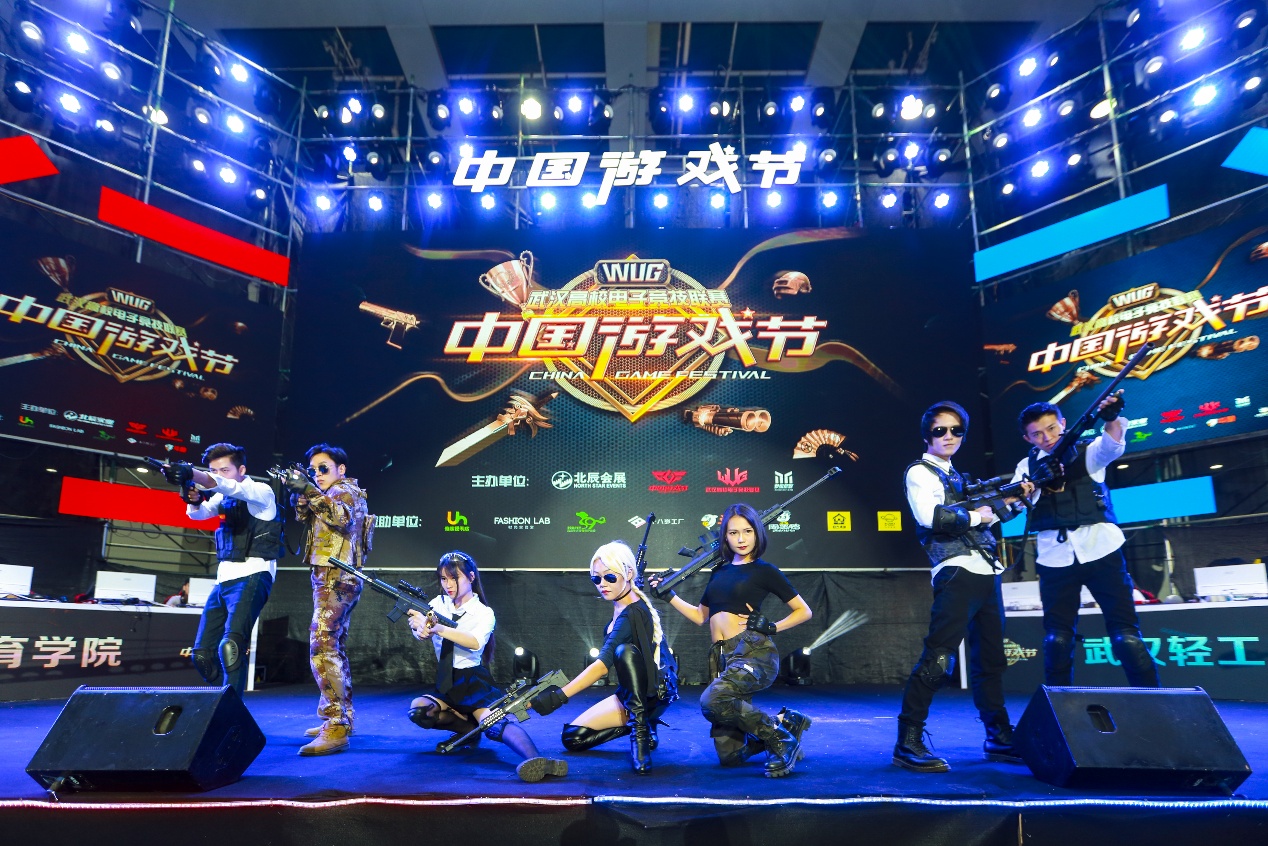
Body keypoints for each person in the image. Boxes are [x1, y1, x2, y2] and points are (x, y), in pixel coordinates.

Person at [893, 401, 1031, 773]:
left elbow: (989, 518)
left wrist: (1019, 499)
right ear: (927, 435)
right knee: (939, 657)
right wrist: (977, 515)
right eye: (940, 430)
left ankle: (998, 736)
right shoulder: (920, 472)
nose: (949, 436)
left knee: (991, 659)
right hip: (956, 571)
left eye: (956, 430)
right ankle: (907, 741)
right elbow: (931, 517)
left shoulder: (957, 476)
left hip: (987, 570)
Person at [1011, 391, 1161, 690]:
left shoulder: (1087, 451)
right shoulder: (1025, 466)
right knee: (1056, 638)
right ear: (1027, 438)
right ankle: (1058, 705)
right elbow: (1015, 503)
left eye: (1051, 428)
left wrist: (1112, 418)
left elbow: (1112, 445)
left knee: (1126, 635)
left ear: (1063, 423)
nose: (1046, 438)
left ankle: (1154, 703)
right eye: (1037, 434)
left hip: (1102, 550)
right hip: (1054, 557)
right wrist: (1036, 482)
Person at [650, 503, 813, 778]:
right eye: (734, 532)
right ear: (724, 536)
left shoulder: (764, 570)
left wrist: (772, 626)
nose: (741, 538)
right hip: (722, 657)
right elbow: (700, 616)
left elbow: (804, 611)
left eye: (748, 531)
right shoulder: (719, 572)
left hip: (752, 651)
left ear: (758, 533)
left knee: (712, 699)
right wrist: (668, 596)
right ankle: (786, 722)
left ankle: (780, 738)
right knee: (730, 756)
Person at [405, 551, 568, 783]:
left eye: (454, 578)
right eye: (443, 579)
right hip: (446, 681)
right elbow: (422, 632)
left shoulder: (483, 613)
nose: (448, 585)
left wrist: (437, 628)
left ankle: (537, 760)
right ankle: (467, 731)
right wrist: (418, 628)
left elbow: (474, 642)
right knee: (420, 711)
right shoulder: (437, 604)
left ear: (471, 577)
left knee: (494, 725)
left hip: (473, 682)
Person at [528, 540, 678, 774]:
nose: (602, 584)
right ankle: (646, 724)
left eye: (609, 577)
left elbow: (601, 666)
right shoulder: (623, 604)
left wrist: (558, 697)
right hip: (633, 693)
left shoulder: (632, 612)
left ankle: (639, 732)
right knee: (573, 738)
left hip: (650, 695)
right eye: (596, 579)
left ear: (629, 574)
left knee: (623, 651)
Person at [278, 443, 371, 756]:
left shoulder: (346, 491)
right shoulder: (327, 493)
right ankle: (343, 716)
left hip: (337, 578)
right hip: (330, 578)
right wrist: (300, 490)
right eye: (313, 470)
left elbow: (340, 518)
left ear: (340, 469)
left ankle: (336, 723)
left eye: (323, 468)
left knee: (322, 645)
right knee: (333, 646)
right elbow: (303, 515)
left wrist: (307, 488)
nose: (317, 474)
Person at [166, 443, 279, 694]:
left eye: (225, 470)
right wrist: (193, 498)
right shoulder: (221, 496)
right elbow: (198, 514)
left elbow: (228, 486)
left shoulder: (261, 491)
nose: (219, 475)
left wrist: (194, 474)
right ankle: (221, 702)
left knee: (231, 647)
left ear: (242, 469)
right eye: (214, 471)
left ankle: (232, 710)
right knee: (202, 654)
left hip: (252, 574)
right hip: (223, 580)